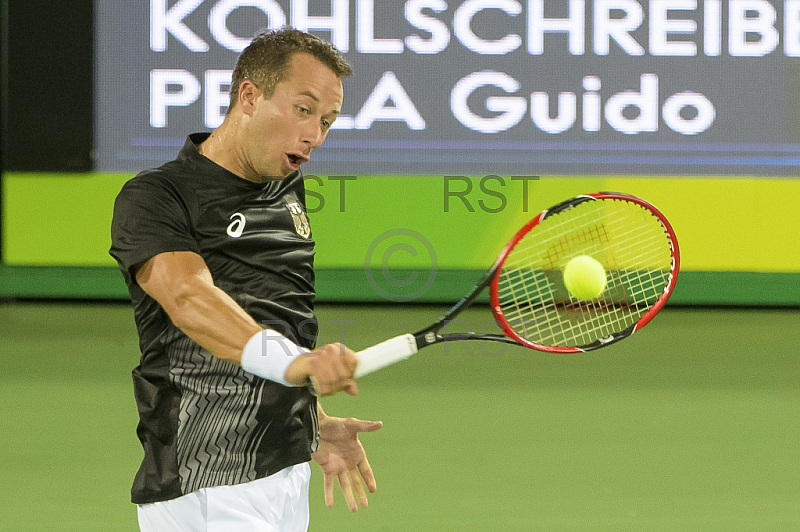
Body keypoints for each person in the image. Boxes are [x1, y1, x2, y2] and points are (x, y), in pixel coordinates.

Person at [110, 27, 381, 531]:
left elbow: (272, 315)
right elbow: (190, 299)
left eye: (326, 121)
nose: (314, 135)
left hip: (282, 472)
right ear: (250, 97)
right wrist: (297, 363)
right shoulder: (157, 197)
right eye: (303, 110)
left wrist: (311, 421)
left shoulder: (287, 194)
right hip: (207, 479)